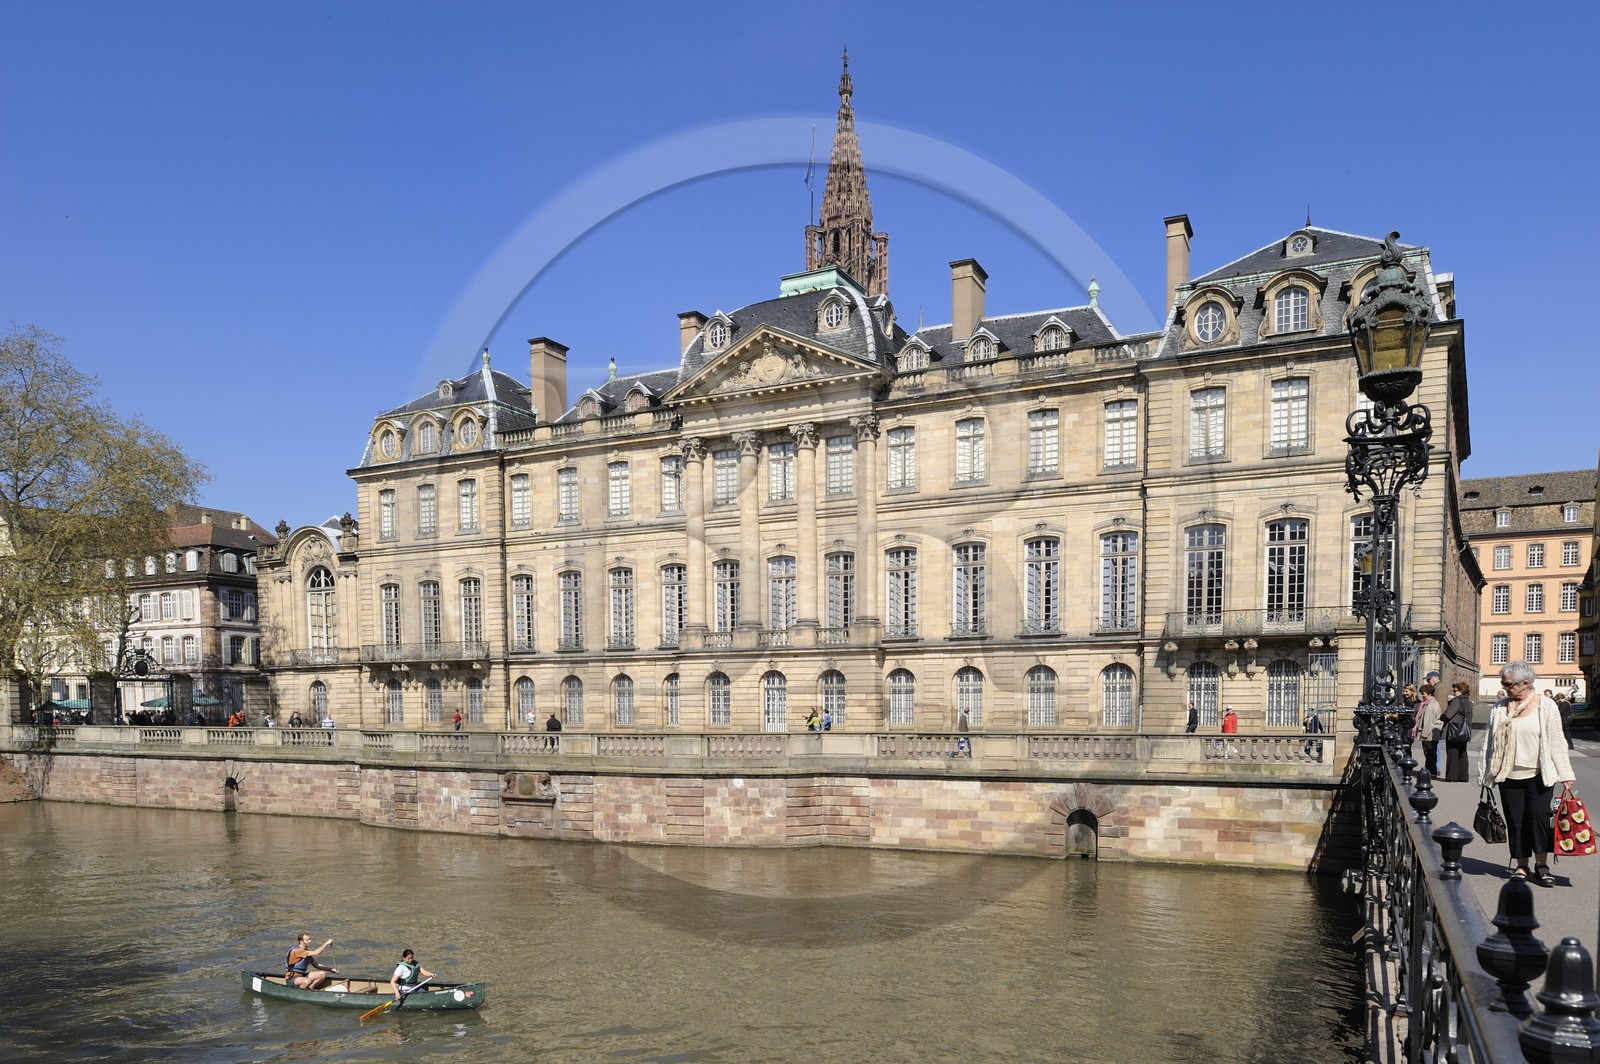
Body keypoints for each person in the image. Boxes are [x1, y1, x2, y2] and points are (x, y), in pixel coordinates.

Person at [1480, 661, 1576, 888]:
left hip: (1539, 774)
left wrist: (1565, 773)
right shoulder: (1500, 707)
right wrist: (1485, 774)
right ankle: (1521, 864)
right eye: (1503, 682)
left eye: (1508, 683)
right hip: (1508, 775)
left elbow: (1556, 741)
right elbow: (1489, 742)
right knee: (1516, 822)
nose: (1504, 687)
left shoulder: (1546, 705)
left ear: (1525, 683)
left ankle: (1541, 865)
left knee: (1539, 819)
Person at [1442, 681, 1473, 781]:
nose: (1454, 692)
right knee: (1462, 752)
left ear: (1461, 691)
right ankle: (1463, 776)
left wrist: (1442, 716)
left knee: (1452, 752)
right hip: (1465, 730)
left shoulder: (1456, 701)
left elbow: (1448, 715)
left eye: (1455, 690)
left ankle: (1452, 776)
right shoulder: (1468, 701)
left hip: (1454, 730)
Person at [1412, 683, 1442, 778]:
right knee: (1430, 754)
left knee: (1429, 754)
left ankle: (1430, 772)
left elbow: (1428, 721)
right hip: (1431, 733)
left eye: (1423, 693)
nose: (1422, 695)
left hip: (1429, 734)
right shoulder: (1429, 703)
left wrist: (1424, 734)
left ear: (1429, 693)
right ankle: (1430, 770)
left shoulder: (1431, 705)